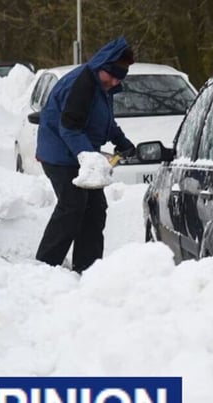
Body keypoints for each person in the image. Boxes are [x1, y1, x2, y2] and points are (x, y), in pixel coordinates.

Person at [35, 36, 136, 273]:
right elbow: (69, 127)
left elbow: (103, 122)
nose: (113, 81)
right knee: (72, 206)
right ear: (102, 65)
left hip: (78, 156)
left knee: (95, 209)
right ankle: (45, 266)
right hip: (59, 155)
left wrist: (122, 142)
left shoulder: (100, 86)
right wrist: (89, 157)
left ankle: (88, 269)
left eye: (118, 78)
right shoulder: (83, 84)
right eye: (110, 75)